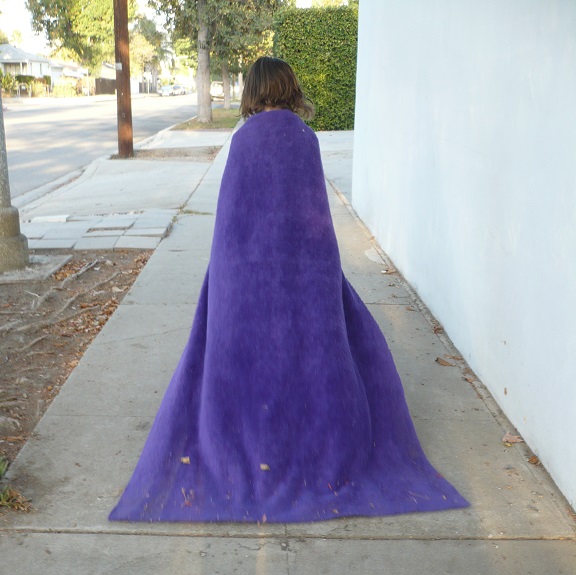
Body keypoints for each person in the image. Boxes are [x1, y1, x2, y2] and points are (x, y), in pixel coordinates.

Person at [109, 57, 468, 525]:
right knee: (312, 357)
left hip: (245, 275)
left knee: (246, 360)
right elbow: (316, 220)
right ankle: (317, 448)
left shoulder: (242, 142)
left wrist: (224, 279)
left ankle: (245, 447)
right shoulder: (305, 140)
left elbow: (231, 222)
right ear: (291, 89)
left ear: (252, 93)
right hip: (305, 275)